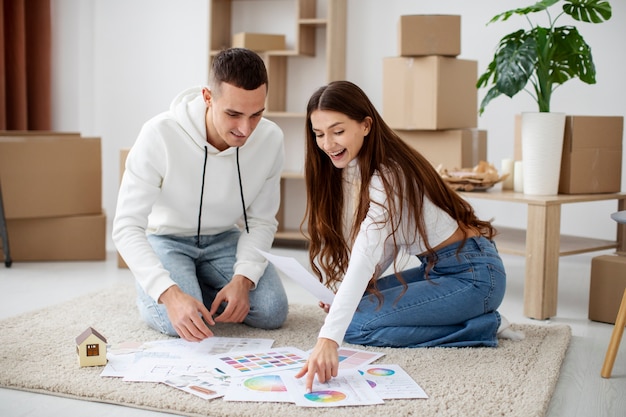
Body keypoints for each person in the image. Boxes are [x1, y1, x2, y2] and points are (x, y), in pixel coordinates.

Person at [295, 80, 521, 391]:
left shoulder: (387, 177)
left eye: (337, 131)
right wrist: (352, 292)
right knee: (355, 307)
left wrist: (327, 339)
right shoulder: (372, 166)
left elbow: (365, 253)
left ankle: (482, 326)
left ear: (365, 125)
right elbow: (383, 247)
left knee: (357, 326)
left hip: (474, 276)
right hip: (445, 268)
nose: (327, 144)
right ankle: (471, 316)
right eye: (319, 134)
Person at [112, 48, 289, 342]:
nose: (245, 129)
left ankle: (196, 286)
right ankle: (157, 287)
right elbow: (126, 226)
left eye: (256, 114)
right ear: (208, 97)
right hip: (167, 239)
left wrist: (243, 280)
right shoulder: (159, 134)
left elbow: (261, 222)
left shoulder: (271, 139)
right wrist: (169, 294)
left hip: (223, 238)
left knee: (271, 311)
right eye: (233, 114)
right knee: (179, 324)